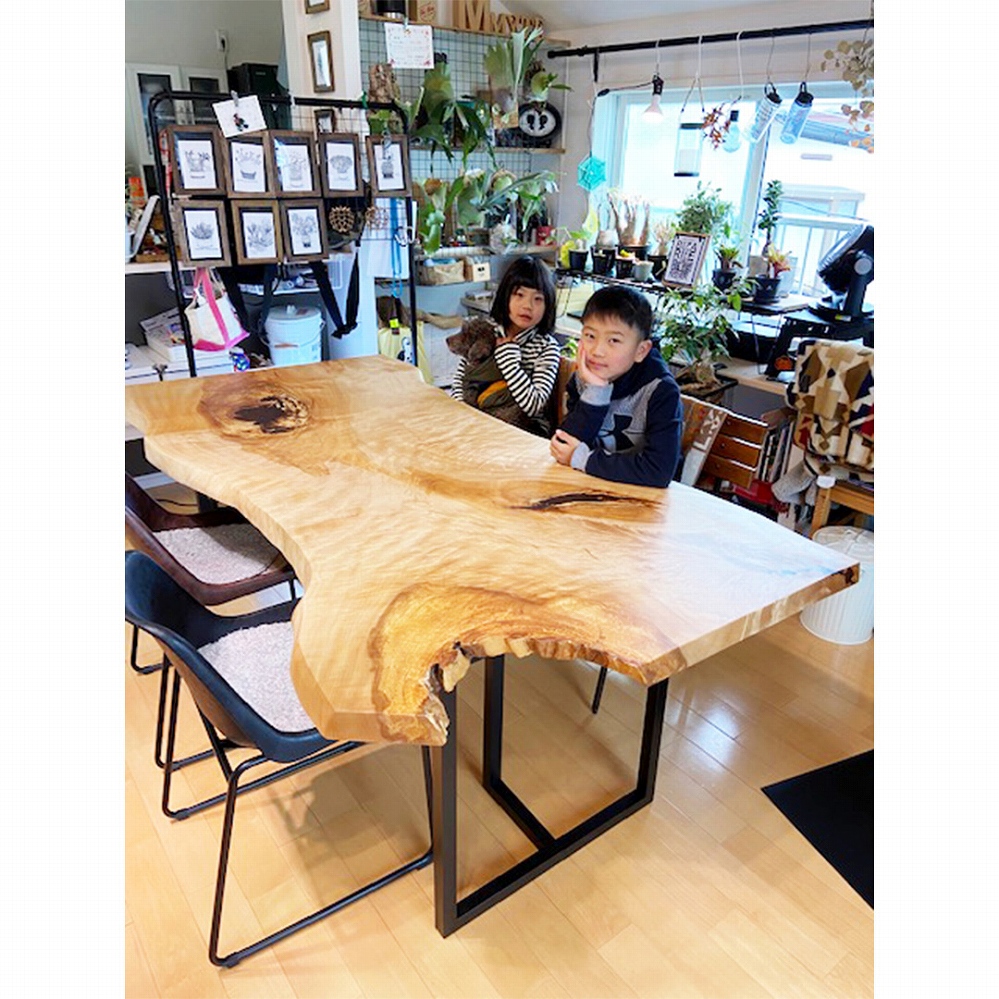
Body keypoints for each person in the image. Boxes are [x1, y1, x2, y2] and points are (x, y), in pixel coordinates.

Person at [550, 285, 683, 488]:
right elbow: (565, 447)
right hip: (587, 486)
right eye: (590, 336)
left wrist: (584, 460)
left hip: (642, 497)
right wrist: (596, 391)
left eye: (613, 340)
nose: (597, 351)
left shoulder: (661, 392)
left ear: (641, 351)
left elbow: (659, 472)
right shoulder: (583, 379)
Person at [450, 255, 561, 436]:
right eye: (519, 295)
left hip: (523, 432)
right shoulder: (487, 331)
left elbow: (534, 405)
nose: (527, 306)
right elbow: (461, 380)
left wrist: (508, 361)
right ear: (505, 296)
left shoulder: (546, 348)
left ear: (548, 305)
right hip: (479, 424)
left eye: (538, 299)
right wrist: (465, 415)